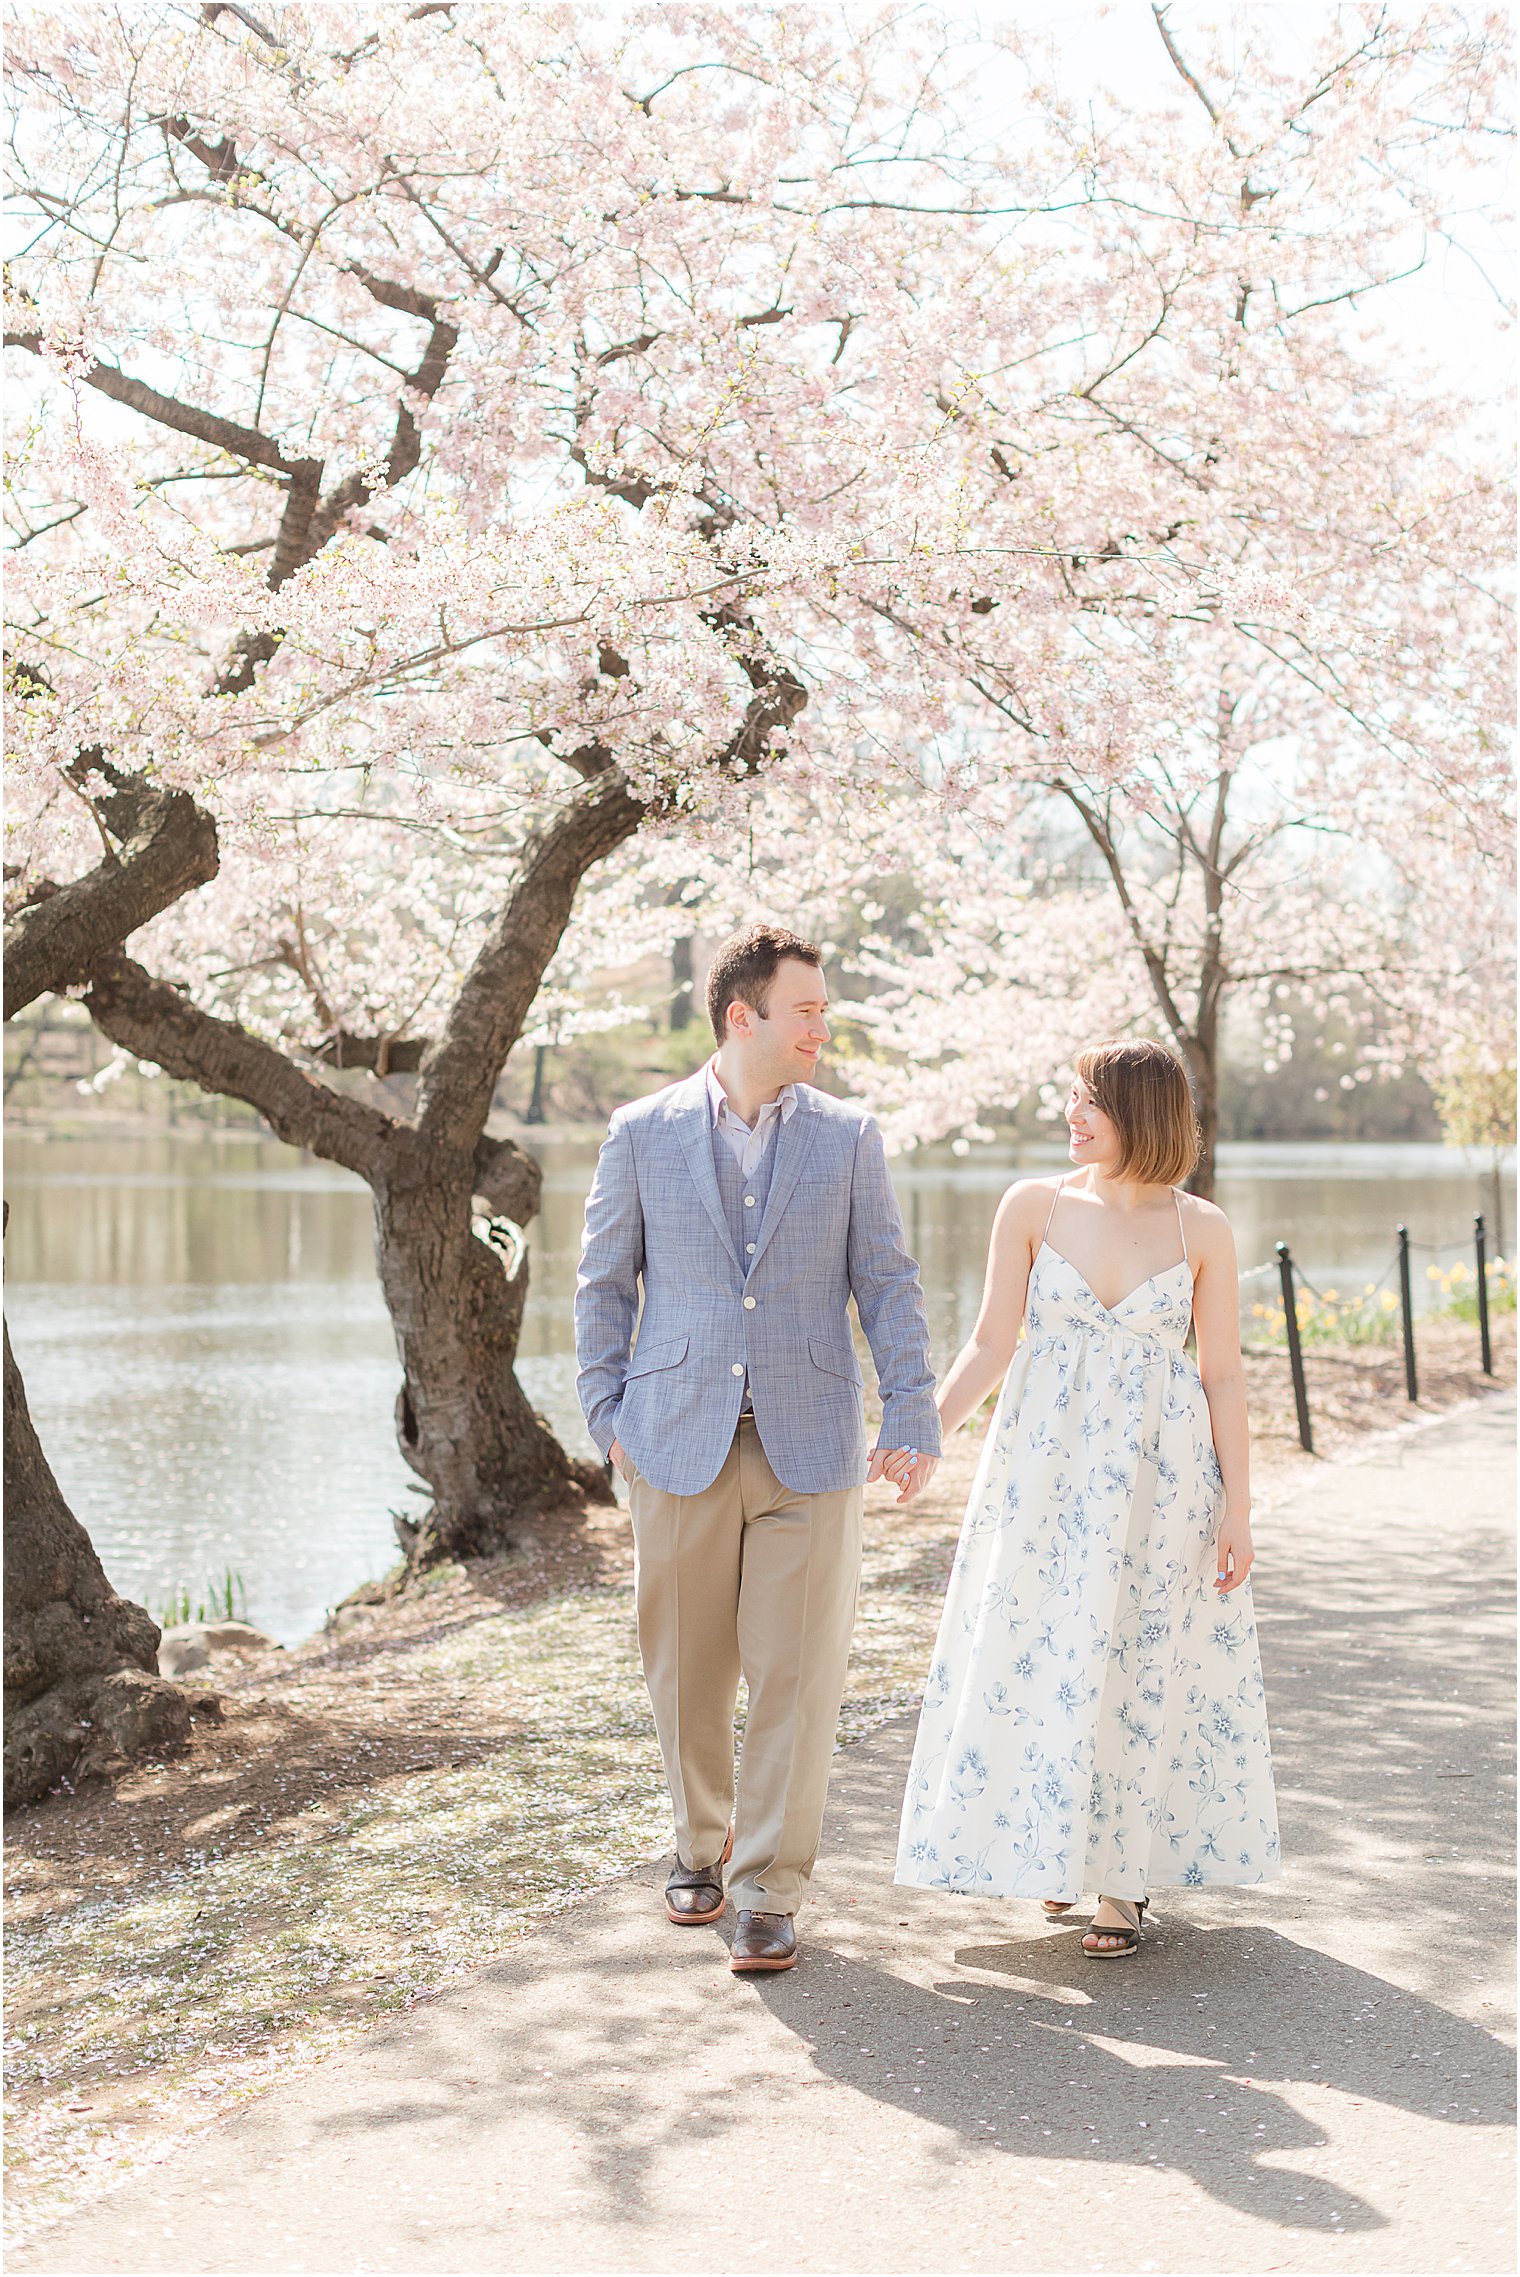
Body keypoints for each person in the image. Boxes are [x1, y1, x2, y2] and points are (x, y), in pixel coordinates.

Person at [575, 922, 939, 1976]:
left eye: (824, 1009)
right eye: (806, 1010)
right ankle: (697, 1844)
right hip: (671, 1436)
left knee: (795, 1676)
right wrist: (608, 1417)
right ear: (744, 1018)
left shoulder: (847, 1137)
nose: (822, 1026)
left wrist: (911, 1413)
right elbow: (601, 1286)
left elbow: (887, 1284)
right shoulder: (638, 1132)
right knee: (685, 1671)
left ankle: (767, 1889)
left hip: (811, 1443)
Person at [893, 1039, 1279, 1958]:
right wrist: (925, 1435)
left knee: (1137, 1658)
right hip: (1042, 1475)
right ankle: (1052, 1849)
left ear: (1139, 1114)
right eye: (1069, 1095)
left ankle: (1121, 1881)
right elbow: (990, 1342)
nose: (1070, 1114)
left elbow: (1222, 1374)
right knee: (1045, 1647)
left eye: (1088, 1102)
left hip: (1161, 1480)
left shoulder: (1203, 1230)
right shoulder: (1034, 1205)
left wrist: (1239, 1508)